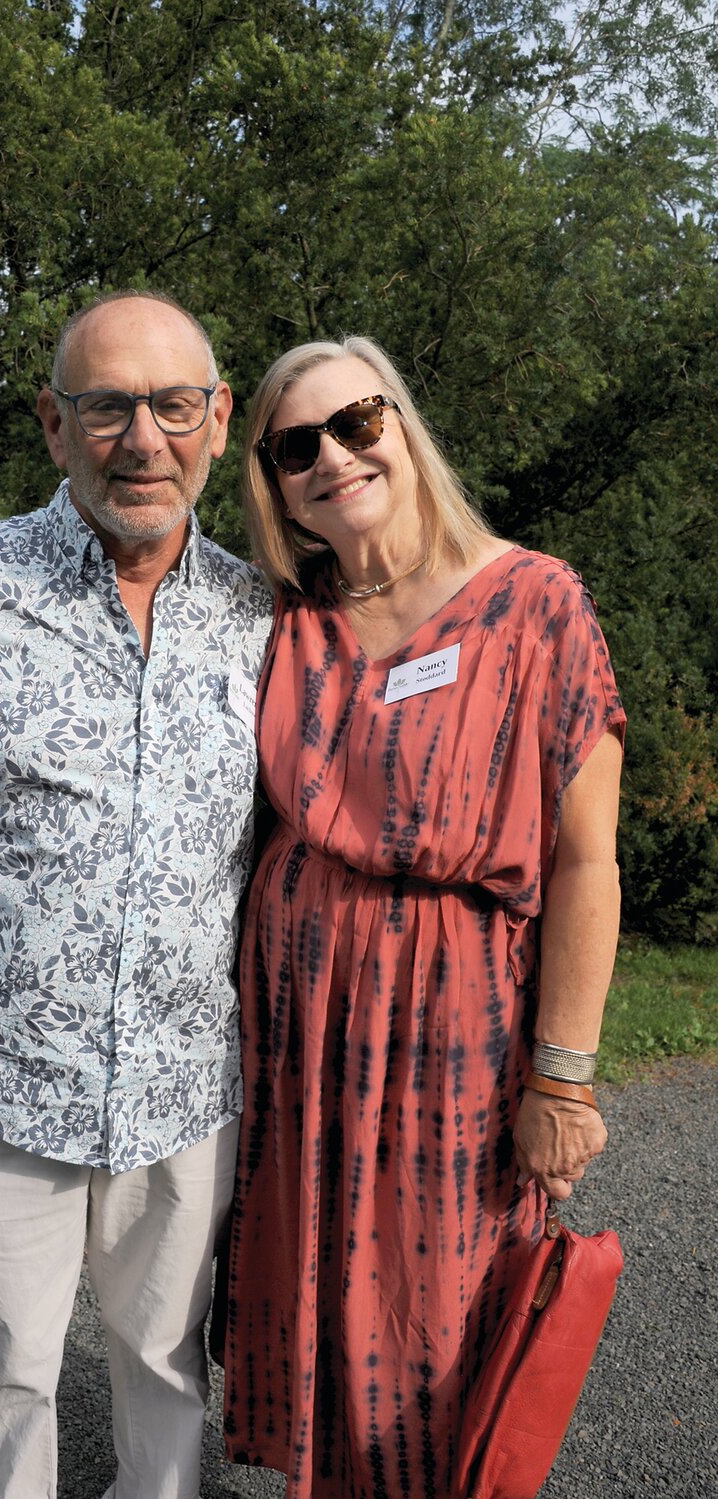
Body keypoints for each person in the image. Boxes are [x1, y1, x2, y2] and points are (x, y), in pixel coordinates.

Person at [0, 291, 274, 1499]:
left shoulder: (264, 619)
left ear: (216, 416)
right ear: (53, 424)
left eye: (172, 403)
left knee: (164, 1358)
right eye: (105, 406)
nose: (141, 437)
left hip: (184, 1081)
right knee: (3, 1368)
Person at [220, 337, 625, 1499]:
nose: (332, 460)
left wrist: (560, 1076)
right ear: (274, 482)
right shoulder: (281, 612)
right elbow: (128, 561)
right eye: (295, 447)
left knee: (443, 1319)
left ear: (399, 420)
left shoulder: (532, 599)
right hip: (299, 1030)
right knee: (321, 1302)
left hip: (456, 1022)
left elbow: (586, 860)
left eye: (355, 423)